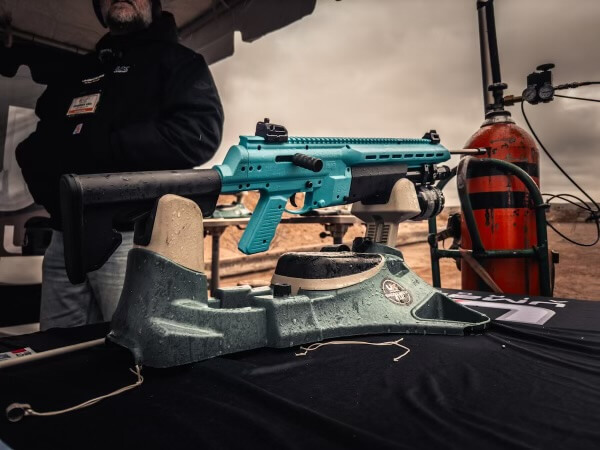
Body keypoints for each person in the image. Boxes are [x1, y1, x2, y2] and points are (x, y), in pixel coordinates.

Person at [0, 0, 224, 330]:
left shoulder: (179, 63)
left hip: (132, 241)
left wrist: (103, 144)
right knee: (58, 356)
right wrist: (39, 171)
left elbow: (197, 134)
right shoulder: (82, 69)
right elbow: (45, 132)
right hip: (65, 239)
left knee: (134, 355)